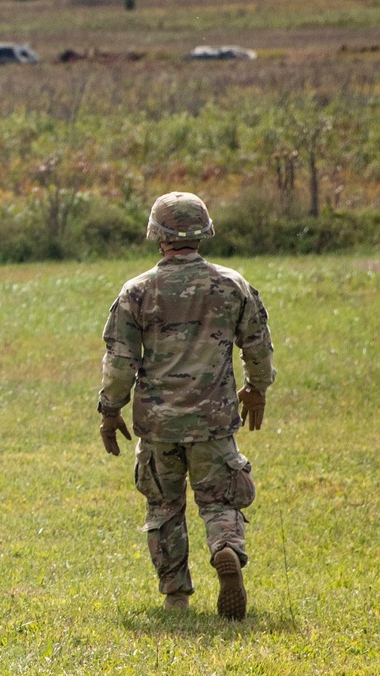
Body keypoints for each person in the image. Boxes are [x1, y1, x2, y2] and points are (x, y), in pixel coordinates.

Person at [98, 192, 275, 619]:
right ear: (203, 232)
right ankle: (226, 549)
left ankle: (176, 593)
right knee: (219, 501)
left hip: (158, 427)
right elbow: (258, 344)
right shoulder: (231, 284)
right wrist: (256, 388)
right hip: (213, 421)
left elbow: (120, 361)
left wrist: (109, 410)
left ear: (157, 235)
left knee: (163, 507)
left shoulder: (136, 291)